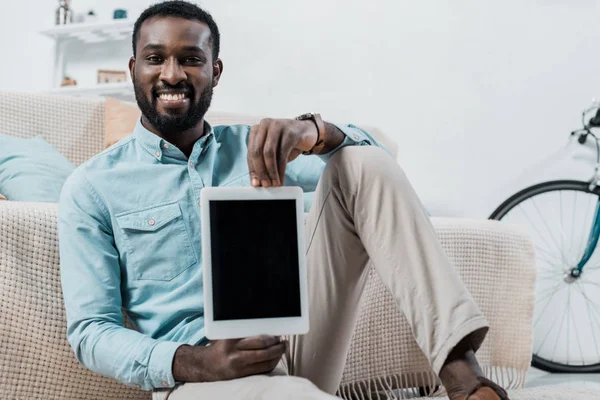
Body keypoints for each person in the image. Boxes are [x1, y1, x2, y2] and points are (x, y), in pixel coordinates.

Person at [58, 1, 508, 399]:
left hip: (296, 340)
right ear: (134, 67)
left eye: (190, 59)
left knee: (362, 164)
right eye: (156, 59)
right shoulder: (92, 187)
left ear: (215, 71)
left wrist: (314, 132)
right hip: (202, 379)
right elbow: (91, 332)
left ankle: (462, 377)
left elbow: (382, 165)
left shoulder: (260, 146)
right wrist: (199, 363)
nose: (172, 74)